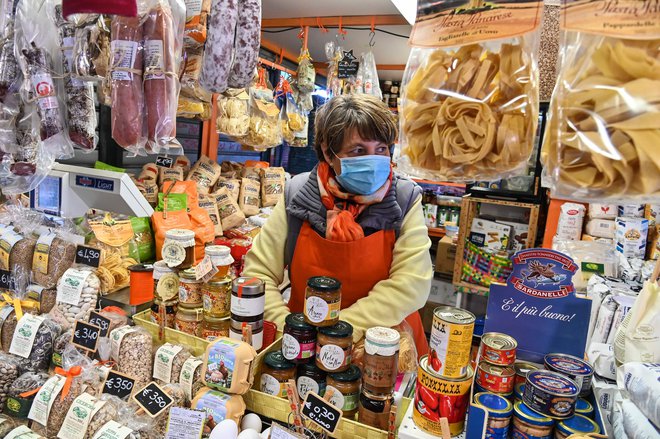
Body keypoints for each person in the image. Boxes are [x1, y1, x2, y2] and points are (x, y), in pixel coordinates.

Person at [243, 94, 433, 355]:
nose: (374, 160)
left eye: (381, 149)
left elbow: (412, 284)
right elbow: (259, 272)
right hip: (306, 348)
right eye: (358, 151)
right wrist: (286, 328)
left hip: (387, 352)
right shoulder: (296, 194)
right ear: (327, 152)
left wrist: (343, 332)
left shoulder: (404, 198)